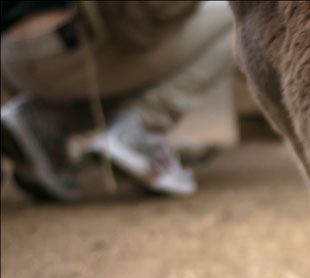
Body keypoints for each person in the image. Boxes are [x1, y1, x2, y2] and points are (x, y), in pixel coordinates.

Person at [0, 0, 234, 201]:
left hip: (9, 56)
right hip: (70, 45)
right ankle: (139, 128)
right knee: (243, 17)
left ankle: (45, 120)